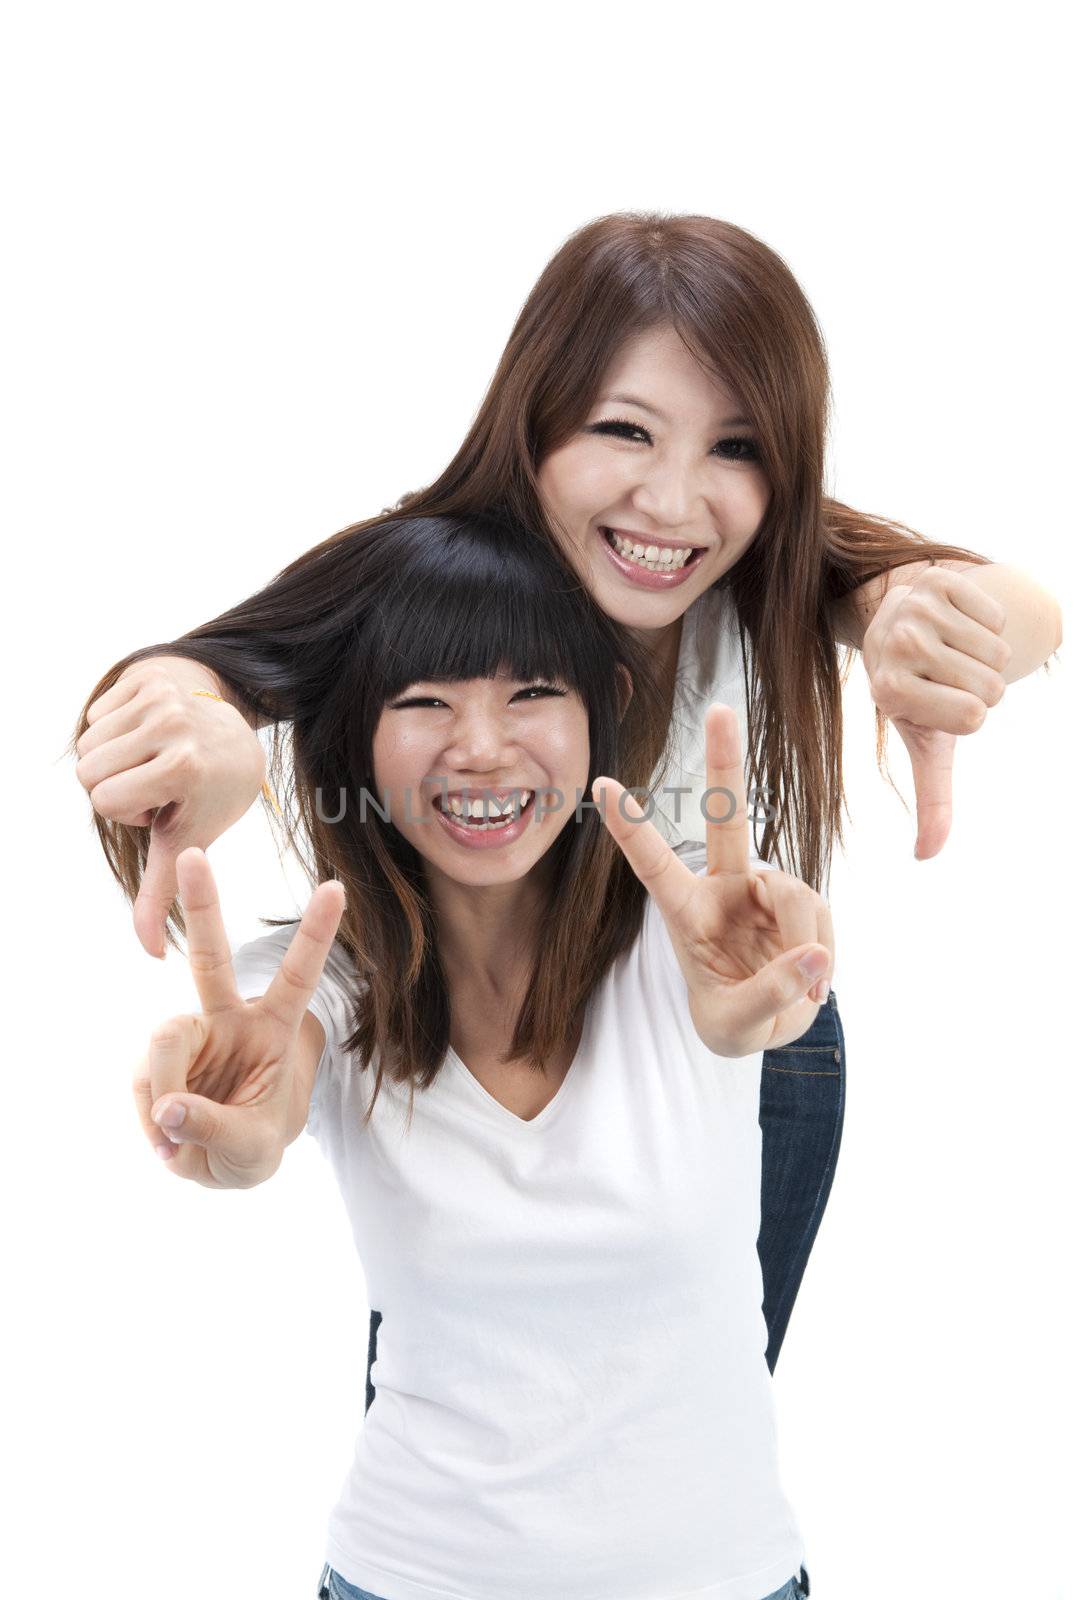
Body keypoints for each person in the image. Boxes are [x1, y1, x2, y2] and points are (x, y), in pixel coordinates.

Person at [72, 212, 1062, 1376]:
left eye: (737, 448)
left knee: (694, 1421)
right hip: (488, 1037)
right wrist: (200, 720)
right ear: (535, 426)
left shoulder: (760, 570)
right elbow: (199, 671)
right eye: (624, 430)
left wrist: (936, 625)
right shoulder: (427, 569)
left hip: (750, 1046)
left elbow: (1014, 599)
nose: (674, 502)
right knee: (470, 1425)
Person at [133, 511, 833, 1600]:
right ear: (354, 740)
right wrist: (238, 1132)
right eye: (423, 702)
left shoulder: (690, 941)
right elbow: (274, 1090)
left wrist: (777, 1005)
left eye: (532, 694)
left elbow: (748, 1011)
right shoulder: (324, 976)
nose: (482, 746)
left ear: (600, 715)